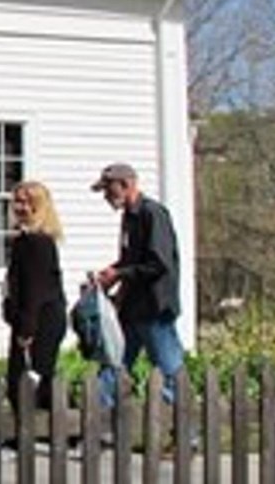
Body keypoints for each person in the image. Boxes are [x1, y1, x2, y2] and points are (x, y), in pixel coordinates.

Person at [92, 162, 185, 407]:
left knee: (168, 370)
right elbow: (131, 262)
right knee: (114, 364)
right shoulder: (129, 218)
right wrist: (111, 276)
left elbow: (158, 264)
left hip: (155, 308)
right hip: (132, 308)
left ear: (126, 184)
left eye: (109, 189)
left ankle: (185, 435)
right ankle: (100, 427)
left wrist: (120, 273)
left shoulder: (152, 214)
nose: (106, 197)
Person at [1, 180, 66, 445]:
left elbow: (36, 291)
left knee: (27, 378)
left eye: (28, 203)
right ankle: (55, 431)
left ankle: (38, 432)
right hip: (30, 316)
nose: (20, 207)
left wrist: (27, 328)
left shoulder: (38, 243)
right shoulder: (24, 240)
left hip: (42, 319)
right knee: (36, 377)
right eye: (17, 201)